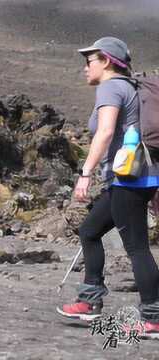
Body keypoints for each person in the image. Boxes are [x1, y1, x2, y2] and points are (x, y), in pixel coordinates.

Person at [57, 37, 159, 335]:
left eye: (89, 61)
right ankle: (90, 300)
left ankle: (153, 314)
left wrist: (86, 173)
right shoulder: (130, 87)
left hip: (129, 179)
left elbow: (104, 133)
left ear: (106, 61)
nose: (85, 68)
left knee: (137, 246)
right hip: (131, 179)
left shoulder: (111, 87)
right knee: (89, 230)